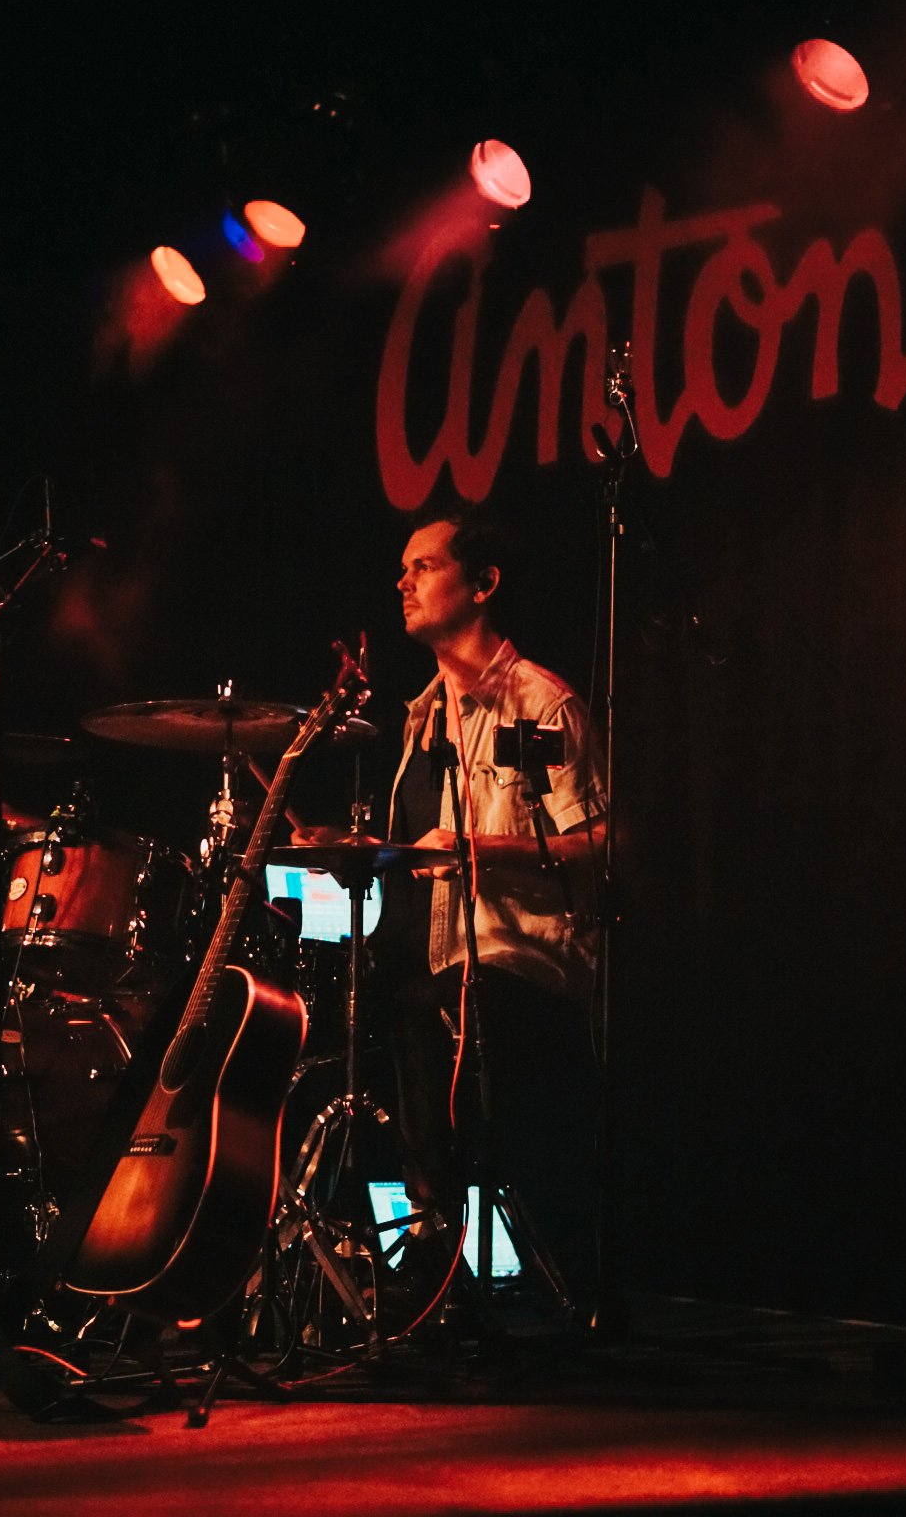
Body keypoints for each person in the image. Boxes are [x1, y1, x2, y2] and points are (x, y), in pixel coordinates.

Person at [368, 501, 607, 1320]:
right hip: (442, 964)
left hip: (522, 963)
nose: (403, 581)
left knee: (437, 1019)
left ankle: (480, 1267)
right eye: (402, 568)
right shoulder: (421, 714)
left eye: (423, 566)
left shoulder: (541, 702)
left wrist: (477, 852)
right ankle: (427, 1265)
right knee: (373, 1013)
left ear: (483, 584)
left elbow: (599, 841)